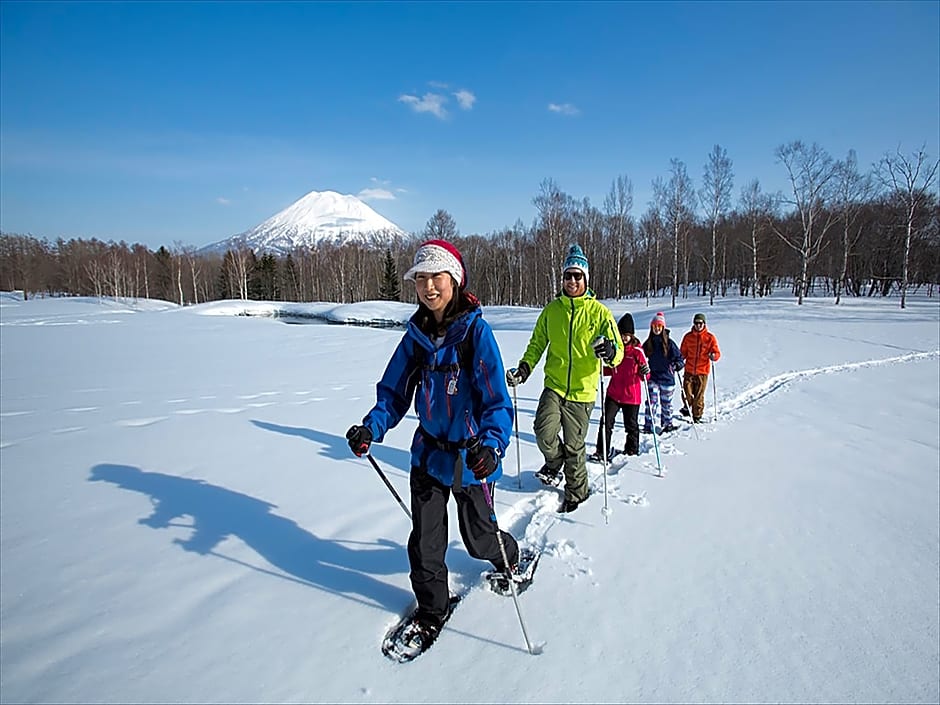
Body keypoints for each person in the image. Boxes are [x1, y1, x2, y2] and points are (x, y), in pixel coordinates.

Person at [345, 239, 522, 645]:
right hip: (427, 456)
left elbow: (497, 400)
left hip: (472, 456)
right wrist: (371, 428)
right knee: (425, 544)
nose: (428, 287)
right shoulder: (416, 337)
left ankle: (509, 557)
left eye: (436, 277)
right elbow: (393, 394)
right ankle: (432, 609)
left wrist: (492, 446)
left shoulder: (476, 333)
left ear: (454, 279)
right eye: (420, 279)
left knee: (479, 539)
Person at [505, 244, 624, 513]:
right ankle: (554, 461)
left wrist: (611, 351)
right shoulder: (552, 310)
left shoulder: (599, 313)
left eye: (577, 276)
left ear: (586, 279)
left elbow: (618, 353)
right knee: (542, 431)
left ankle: (577, 494)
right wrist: (525, 368)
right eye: (568, 276)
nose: (572, 281)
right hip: (554, 385)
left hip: (582, 391)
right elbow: (537, 344)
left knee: (575, 445)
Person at [588, 313, 650, 462]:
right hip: (614, 394)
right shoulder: (616, 350)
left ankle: (631, 451)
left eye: (627, 335)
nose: (623, 338)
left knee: (631, 426)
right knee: (606, 422)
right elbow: (612, 368)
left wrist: (644, 372)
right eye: (621, 334)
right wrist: (600, 369)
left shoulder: (637, 352)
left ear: (632, 336)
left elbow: (646, 377)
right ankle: (602, 451)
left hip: (631, 396)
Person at [642, 311, 684, 434]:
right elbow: (640, 356)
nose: (657, 329)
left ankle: (667, 424)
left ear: (663, 327)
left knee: (666, 404)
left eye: (659, 326)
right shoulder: (649, 343)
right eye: (654, 326)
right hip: (653, 377)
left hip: (667, 378)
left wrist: (676, 365)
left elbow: (679, 359)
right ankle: (648, 425)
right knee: (651, 402)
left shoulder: (669, 343)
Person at [679, 312, 721, 423]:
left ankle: (697, 415)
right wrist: (678, 360)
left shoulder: (709, 338)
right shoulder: (688, 337)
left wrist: (713, 356)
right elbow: (682, 352)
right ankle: (687, 407)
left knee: (699, 395)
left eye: (700, 323)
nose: (698, 325)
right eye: (696, 323)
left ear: (704, 324)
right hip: (689, 369)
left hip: (702, 371)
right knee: (686, 392)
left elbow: (716, 352)